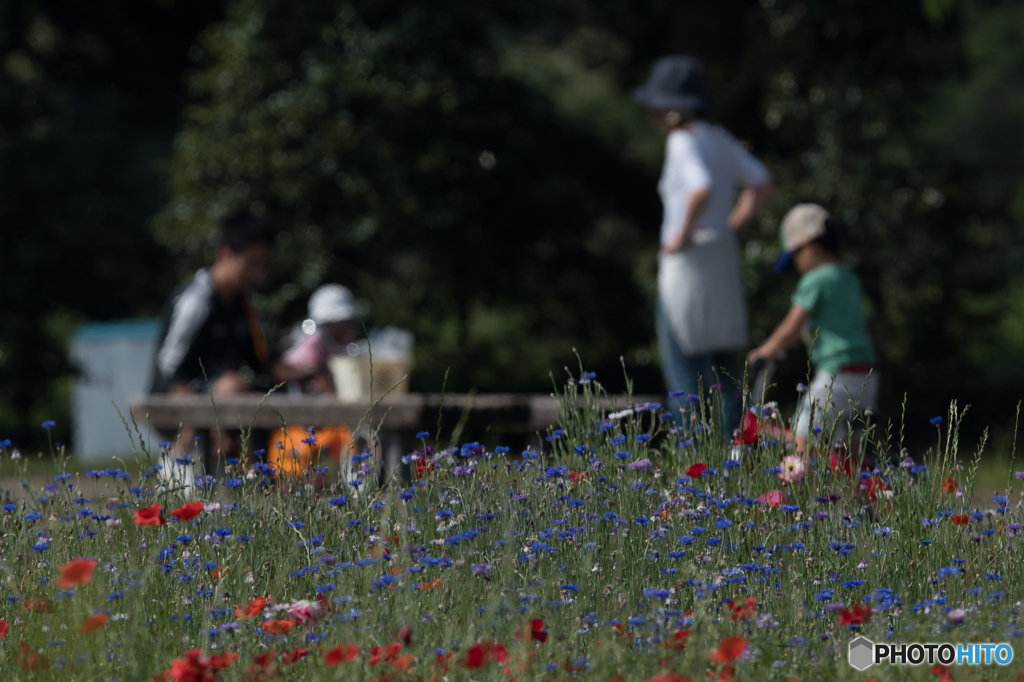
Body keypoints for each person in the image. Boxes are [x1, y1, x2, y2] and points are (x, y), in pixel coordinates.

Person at [633, 55, 773, 438]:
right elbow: (760, 181)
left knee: (684, 373)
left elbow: (700, 186)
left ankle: (693, 463)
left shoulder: (682, 140)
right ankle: (730, 456)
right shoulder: (719, 137)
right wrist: (731, 225)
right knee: (725, 371)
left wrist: (679, 233)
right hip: (721, 260)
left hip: (687, 264)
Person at [151, 210, 309, 464]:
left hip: (227, 402)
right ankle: (178, 464)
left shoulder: (244, 305)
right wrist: (212, 417)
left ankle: (280, 472)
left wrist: (311, 370)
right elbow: (168, 371)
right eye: (252, 264)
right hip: (175, 402)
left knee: (258, 397)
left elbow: (267, 364)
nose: (258, 274)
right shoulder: (194, 300)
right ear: (225, 252)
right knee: (232, 387)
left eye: (263, 265)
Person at [747, 204, 879, 457]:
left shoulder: (816, 279)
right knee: (848, 452)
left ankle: (801, 492)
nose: (796, 266)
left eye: (794, 256)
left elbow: (792, 325)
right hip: (867, 376)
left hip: (836, 377)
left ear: (810, 246)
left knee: (802, 443)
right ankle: (859, 492)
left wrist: (765, 351)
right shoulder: (847, 277)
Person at [270, 284, 361, 479]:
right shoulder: (314, 343)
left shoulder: (345, 341)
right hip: (311, 411)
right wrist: (339, 403)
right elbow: (314, 378)